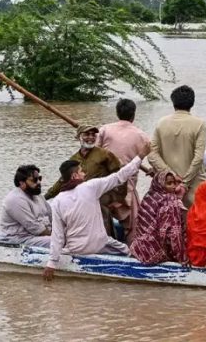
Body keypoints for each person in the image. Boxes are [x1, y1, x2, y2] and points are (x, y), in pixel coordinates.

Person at [43, 144, 150, 281]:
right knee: (127, 250)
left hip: (76, 249)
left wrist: (51, 263)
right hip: (99, 244)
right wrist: (140, 156)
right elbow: (120, 176)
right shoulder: (91, 187)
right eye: (81, 171)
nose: (84, 174)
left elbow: (57, 236)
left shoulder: (57, 201)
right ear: (75, 176)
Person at [45, 125, 126, 237]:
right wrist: (45, 197)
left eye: (93, 135)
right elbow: (62, 181)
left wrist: (117, 198)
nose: (91, 137)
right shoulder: (74, 159)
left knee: (101, 217)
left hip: (101, 197)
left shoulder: (105, 155)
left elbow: (121, 175)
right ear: (78, 137)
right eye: (87, 134)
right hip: (81, 197)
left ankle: (106, 240)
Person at [96, 98, 151, 244]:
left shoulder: (104, 130)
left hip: (104, 185)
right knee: (133, 226)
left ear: (117, 113)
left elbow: (93, 153)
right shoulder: (142, 136)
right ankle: (132, 249)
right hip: (126, 187)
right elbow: (152, 158)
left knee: (102, 219)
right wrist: (153, 171)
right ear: (133, 115)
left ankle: (104, 245)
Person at [148, 85, 206, 207]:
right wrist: (184, 184)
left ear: (173, 103)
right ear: (192, 103)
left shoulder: (161, 123)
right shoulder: (199, 124)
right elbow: (199, 158)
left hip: (167, 186)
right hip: (194, 188)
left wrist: (170, 175)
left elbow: (152, 155)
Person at [130, 171, 187, 265]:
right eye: (169, 183)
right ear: (160, 184)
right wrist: (182, 258)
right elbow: (173, 234)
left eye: (174, 183)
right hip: (157, 253)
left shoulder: (148, 196)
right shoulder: (170, 200)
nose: (173, 186)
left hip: (138, 249)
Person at [0, 165, 52, 247]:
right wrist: (57, 236)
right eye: (34, 180)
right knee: (57, 241)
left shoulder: (38, 196)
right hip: (18, 239)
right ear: (22, 183)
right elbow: (34, 227)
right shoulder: (15, 199)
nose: (39, 182)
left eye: (40, 178)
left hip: (35, 236)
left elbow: (51, 216)